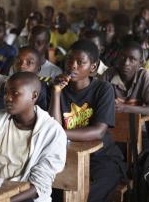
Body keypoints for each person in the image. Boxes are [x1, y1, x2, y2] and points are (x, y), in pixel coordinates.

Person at [49, 40, 125, 202]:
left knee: (88, 194)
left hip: (101, 158)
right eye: (70, 60)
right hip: (66, 158)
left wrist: (60, 134)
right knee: (52, 192)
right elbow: (52, 126)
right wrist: (55, 93)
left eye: (80, 62)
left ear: (93, 67)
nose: (73, 66)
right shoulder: (58, 89)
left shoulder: (103, 89)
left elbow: (99, 131)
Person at [0, 72, 67, 202]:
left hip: (27, 197)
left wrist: (5, 200)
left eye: (15, 93)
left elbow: (39, 184)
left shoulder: (52, 131)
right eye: (6, 93)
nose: (7, 98)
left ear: (34, 96)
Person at [99, 41, 149, 147]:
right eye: (122, 57)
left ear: (140, 63)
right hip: (115, 130)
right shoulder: (108, 74)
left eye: (132, 59)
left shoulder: (145, 76)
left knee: (140, 156)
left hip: (143, 131)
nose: (126, 62)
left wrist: (124, 108)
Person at [0, 46, 51, 119]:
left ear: (38, 69)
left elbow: (44, 119)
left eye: (29, 62)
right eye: (18, 61)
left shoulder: (42, 89)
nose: (22, 66)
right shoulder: (6, 85)